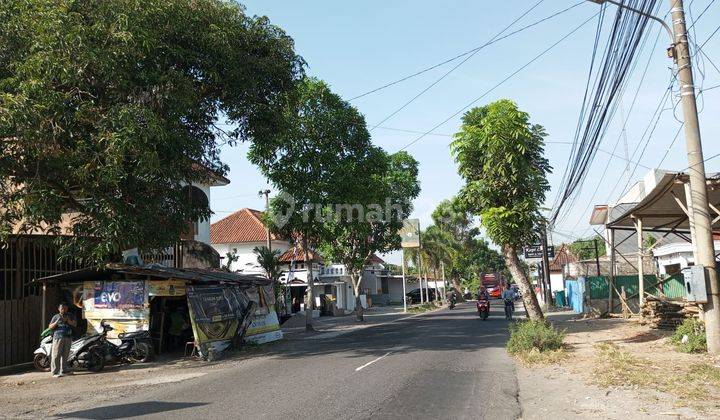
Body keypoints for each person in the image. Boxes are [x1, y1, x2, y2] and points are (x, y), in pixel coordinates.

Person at [48, 302, 76, 377]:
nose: (63, 310)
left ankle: (64, 371)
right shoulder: (55, 316)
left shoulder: (70, 315)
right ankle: (55, 372)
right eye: (62, 308)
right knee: (56, 355)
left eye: (65, 308)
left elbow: (74, 324)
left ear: (67, 309)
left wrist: (68, 321)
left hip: (68, 337)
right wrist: (57, 322)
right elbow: (50, 327)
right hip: (58, 337)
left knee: (65, 355)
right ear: (59, 309)